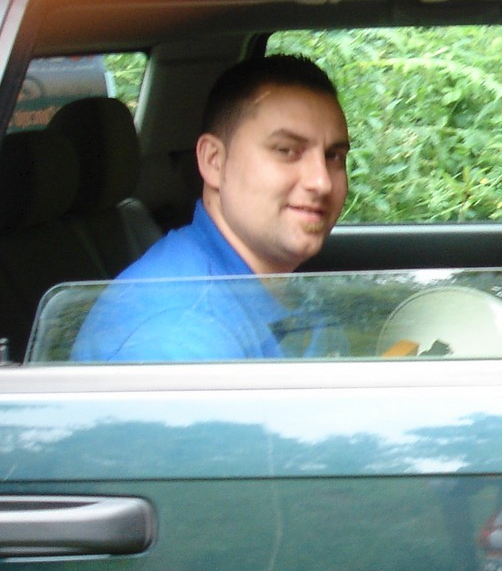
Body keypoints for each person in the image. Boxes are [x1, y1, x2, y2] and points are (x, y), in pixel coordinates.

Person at [71, 54, 351, 362]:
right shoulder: (180, 335)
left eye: (334, 156)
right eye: (286, 150)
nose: (321, 182)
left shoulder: (264, 285)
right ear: (214, 161)